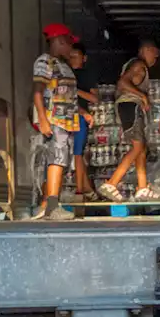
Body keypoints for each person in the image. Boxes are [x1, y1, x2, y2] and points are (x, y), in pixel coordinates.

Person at [98, 38, 159, 202]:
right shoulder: (139, 64)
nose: (156, 57)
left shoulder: (136, 64)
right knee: (137, 146)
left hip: (130, 106)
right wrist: (142, 96)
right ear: (146, 50)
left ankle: (142, 187)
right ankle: (112, 183)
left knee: (141, 148)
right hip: (130, 105)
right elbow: (122, 82)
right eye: (155, 52)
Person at [30, 23, 79, 221]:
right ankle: (51, 205)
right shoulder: (45, 62)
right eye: (68, 43)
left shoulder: (63, 65)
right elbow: (37, 91)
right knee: (57, 160)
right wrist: (42, 118)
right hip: (53, 118)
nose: (70, 49)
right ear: (59, 41)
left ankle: (47, 204)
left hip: (66, 121)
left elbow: (67, 95)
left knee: (61, 161)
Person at [66, 41, 98, 202]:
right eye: (70, 56)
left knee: (78, 154)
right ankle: (85, 190)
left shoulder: (87, 75)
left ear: (84, 58)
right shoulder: (65, 73)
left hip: (79, 117)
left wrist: (76, 90)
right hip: (65, 116)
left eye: (76, 56)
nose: (72, 59)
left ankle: (80, 191)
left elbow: (94, 97)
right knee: (65, 154)